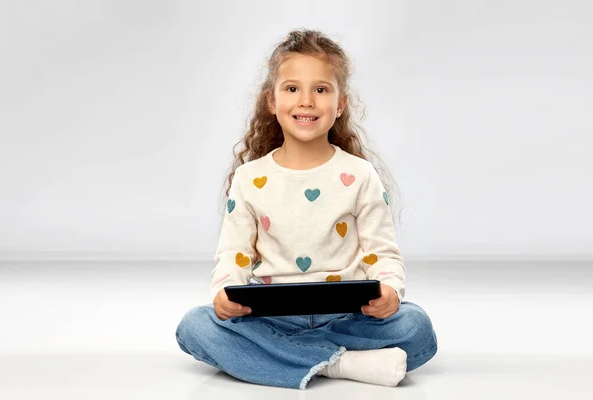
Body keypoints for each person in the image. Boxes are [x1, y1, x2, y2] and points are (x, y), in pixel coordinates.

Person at [175, 29, 437, 390]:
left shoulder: (360, 174)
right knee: (196, 327)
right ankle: (340, 364)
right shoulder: (250, 177)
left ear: (340, 103)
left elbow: (382, 252)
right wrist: (225, 293)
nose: (307, 101)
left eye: (321, 89)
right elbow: (234, 253)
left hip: (348, 316)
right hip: (273, 318)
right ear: (271, 100)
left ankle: (283, 358)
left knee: (415, 328)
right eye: (292, 88)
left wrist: (390, 291)